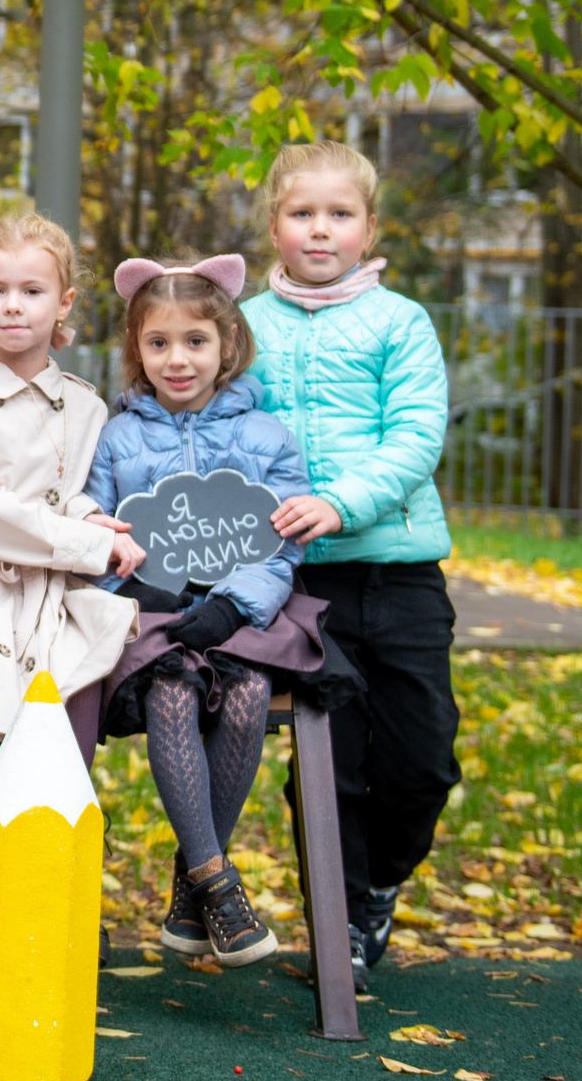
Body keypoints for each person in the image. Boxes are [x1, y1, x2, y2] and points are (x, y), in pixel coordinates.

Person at [89, 257, 355, 971]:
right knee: (175, 694)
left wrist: (238, 602)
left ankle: (193, 885)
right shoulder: (115, 438)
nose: (178, 359)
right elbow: (97, 531)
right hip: (153, 618)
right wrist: (134, 578)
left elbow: (283, 541)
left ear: (226, 344)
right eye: (159, 343)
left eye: (196, 341)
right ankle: (218, 883)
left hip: (245, 617)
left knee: (245, 695)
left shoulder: (266, 434)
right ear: (137, 350)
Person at [239, 142, 453, 988]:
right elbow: (215, 422)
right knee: (333, 763)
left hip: (396, 571)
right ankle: (346, 912)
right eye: (302, 214)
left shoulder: (401, 322)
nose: (320, 230)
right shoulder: (245, 322)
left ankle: (387, 878)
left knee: (423, 757)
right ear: (274, 226)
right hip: (300, 584)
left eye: (339, 214)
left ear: (369, 227)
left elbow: (416, 436)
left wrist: (343, 502)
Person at [0, 213, 139, 749]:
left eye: (32, 290)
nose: (12, 304)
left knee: (64, 712)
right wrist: (89, 540)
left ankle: (61, 825)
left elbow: (70, 489)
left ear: (63, 302)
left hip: (51, 587)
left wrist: (89, 516)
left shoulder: (86, 404)